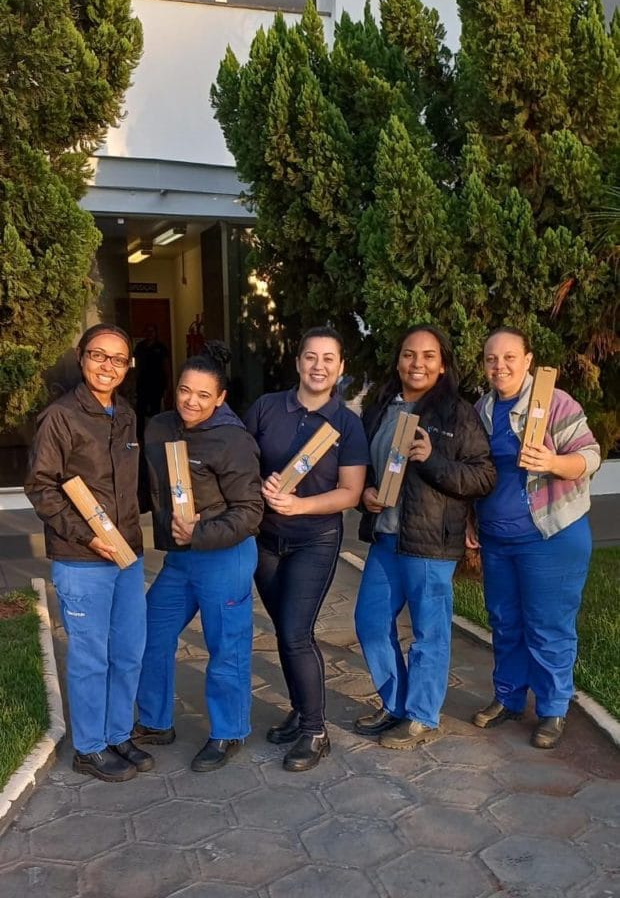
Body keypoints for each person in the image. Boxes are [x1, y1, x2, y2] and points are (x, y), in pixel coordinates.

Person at [354, 325, 496, 749]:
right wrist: (365, 495)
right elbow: (363, 469)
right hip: (386, 538)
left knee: (429, 633)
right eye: (409, 354)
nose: (417, 363)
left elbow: (483, 476)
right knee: (370, 622)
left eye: (428, 356)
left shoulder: (457, 414)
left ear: (443, 365)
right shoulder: (380, 409)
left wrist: (432, 460)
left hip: (431, 543)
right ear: (398, 361)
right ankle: (396, 704)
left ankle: (421, 716)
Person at [25, 324, 151, 783]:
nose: (107, 366)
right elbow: (40, 486)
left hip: (127, 556)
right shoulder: (60, 417)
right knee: (90, 657)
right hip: (82, 559)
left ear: (127, 367)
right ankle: (90, 748)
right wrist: (86, 536)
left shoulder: (126, 415)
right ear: (82, 357)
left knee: (128, 651)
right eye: (99, 355)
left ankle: (117, 734)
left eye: (118, 359)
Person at [133, 342, 263, 772]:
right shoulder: (159, 427)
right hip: (180, 559)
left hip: (225, 556)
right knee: (150, 632)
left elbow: (250, 512)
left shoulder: (234, 441)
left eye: (204, 394)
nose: (192, 400)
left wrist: (200, 532)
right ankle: (155, 722)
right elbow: (149, 489)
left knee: (225, 645)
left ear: (220, 398)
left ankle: (229, 731)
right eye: (185, 390)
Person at [244, 327, 369, 772]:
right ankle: (300, 710)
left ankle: (316, 731)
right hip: (265, 539)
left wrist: (300, 506)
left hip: (314, 539)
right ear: (298, 362)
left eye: (328, 359)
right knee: (285, 630)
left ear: (341, 368)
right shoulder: (267, 408)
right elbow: (241, 462)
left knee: (297, 632)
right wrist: (259, 483)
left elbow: (350, 492)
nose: (319, 366)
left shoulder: (347, 425)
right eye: (311, 357)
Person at [470, 327, 601, 749]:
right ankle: (509, 697)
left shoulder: (555, 402)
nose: (499, 366)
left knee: (547, 626)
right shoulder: (482, 409)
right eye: (491, 359)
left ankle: (552, 708)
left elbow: (591, 456)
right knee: (505, 622)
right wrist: (472, 520)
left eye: (509, 357)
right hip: (497, 539)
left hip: (552, 535)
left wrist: (553, 461)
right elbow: (477, 472)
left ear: (528, 360)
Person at [134, 324, 170, 435]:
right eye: (148, 331)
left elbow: (166, 365)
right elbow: (136, 364)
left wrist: (167, 384)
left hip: (157, 383)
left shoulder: (161, 347)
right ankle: (140, 435)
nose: (150, 334)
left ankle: (155, 432)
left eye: (152, 331)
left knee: (155, 409)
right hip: (142, 382)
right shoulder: (140, 347)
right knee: (140, 410)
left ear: (155, 333)